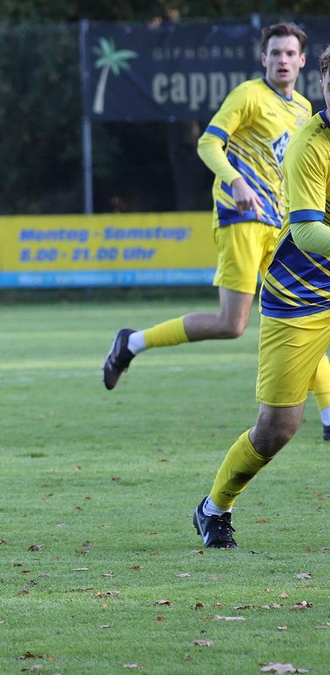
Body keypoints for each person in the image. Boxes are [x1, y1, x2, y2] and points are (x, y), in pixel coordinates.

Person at [102, 22, 330, 439]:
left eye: (289, 53)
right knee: (232, 324)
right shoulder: (247, 95)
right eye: (274, 52)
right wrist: (235, 181)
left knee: (301, 310)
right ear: (264, 59)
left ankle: (329, 417)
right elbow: (208, 143)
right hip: (240, 219)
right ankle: (132, 342)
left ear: (302, 61)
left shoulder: (303, 110)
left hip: (280, 225)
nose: (282, 60)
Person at [193, 46, 330, 549]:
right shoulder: (309, 146)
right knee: (276, 430)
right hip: (301, 297)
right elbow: (312, 234)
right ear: (323, 87)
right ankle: (215, 507)